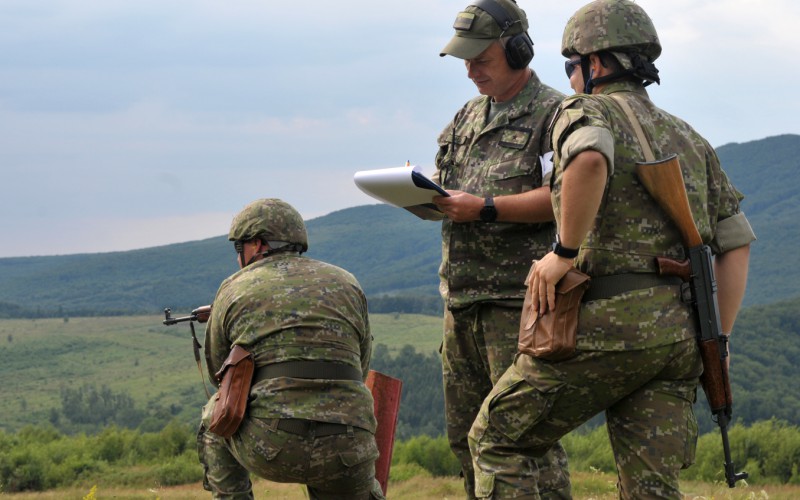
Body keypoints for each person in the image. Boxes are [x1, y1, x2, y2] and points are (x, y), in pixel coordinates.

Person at [468, 0, 756, 498]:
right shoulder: (689, 137)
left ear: (595, 64)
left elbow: (589, 156)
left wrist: (563, 251)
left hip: (604, 328)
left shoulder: (584, 110)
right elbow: (735, 243)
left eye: (570, 67)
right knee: (650, 487)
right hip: (677, 339)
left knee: (497, 440)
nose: (571, 79)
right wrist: (719, 340)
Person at [432, 1, 571, 498]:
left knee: (524, 440)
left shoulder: (556, 113)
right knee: (466, 439)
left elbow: (566, 198)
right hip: (461, 303)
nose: (470, 71)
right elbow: (452, 186)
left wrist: (486, 207)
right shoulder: (467, 116)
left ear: (517, 50)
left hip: (519, 305)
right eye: (464, 61)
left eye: (480, 59)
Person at [197, 198, 384, 500]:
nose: (237, 258)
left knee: (213, 415)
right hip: (349, 445)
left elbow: (219, 375)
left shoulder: (234, 287)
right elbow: (360, 369)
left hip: (271, 446)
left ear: (257, 244)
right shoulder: (347, 282)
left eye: (239, 248)